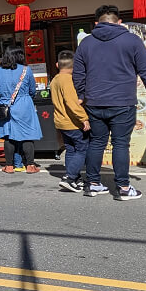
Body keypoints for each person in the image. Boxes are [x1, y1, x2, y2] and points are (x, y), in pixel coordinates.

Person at [73, 4, 146, 201]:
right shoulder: (132, 40)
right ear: (120, 22)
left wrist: (81, 94)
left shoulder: (86, 43)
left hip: (94, 101)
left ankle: (93, 184)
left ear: (96, 23)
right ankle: (123, 187)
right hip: (123, 102)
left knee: (96, 143)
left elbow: (78, 74)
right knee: (121, 144)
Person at [0, 46, 43, 174]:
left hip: (5, 105)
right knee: (27, 136)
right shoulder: (26, 70)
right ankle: (30, 165)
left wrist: (0, 103)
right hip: (24, 105)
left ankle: (9, 166)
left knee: (8, 136)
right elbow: (32, 90)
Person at [51, 51, 91, 192]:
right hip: (72, 122)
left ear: (58, 65)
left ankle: (75, 178)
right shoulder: (67, 80)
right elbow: (72, 102)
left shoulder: (55, 79)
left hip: (61, 121)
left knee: (70, 149)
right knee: (82, 149)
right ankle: (70, 177)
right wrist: (84, 118)